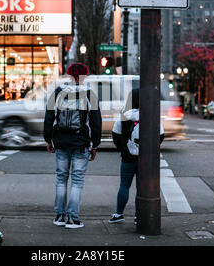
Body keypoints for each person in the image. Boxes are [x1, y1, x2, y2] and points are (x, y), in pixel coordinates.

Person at [44, 63, 102, 229]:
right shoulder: (90, 94)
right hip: (80, 143)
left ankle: (60, 216)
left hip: (61, 142)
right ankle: (72, 219)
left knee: (61, 178)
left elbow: (49, 118)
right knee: (77, 181)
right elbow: (96, 123)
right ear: (84, 76)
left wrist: (48, 140)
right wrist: (95, 145)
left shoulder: (57, 92)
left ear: (68, 75)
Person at [109, 88, 164, 224]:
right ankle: (138, 215)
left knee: (124, 186)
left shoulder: (124, 115)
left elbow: (115, 134)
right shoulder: (150, 114)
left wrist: (123, 148)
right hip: (145, 159)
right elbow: (161, 135)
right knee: (142, 188)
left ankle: (118, 214)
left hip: (128, 157)